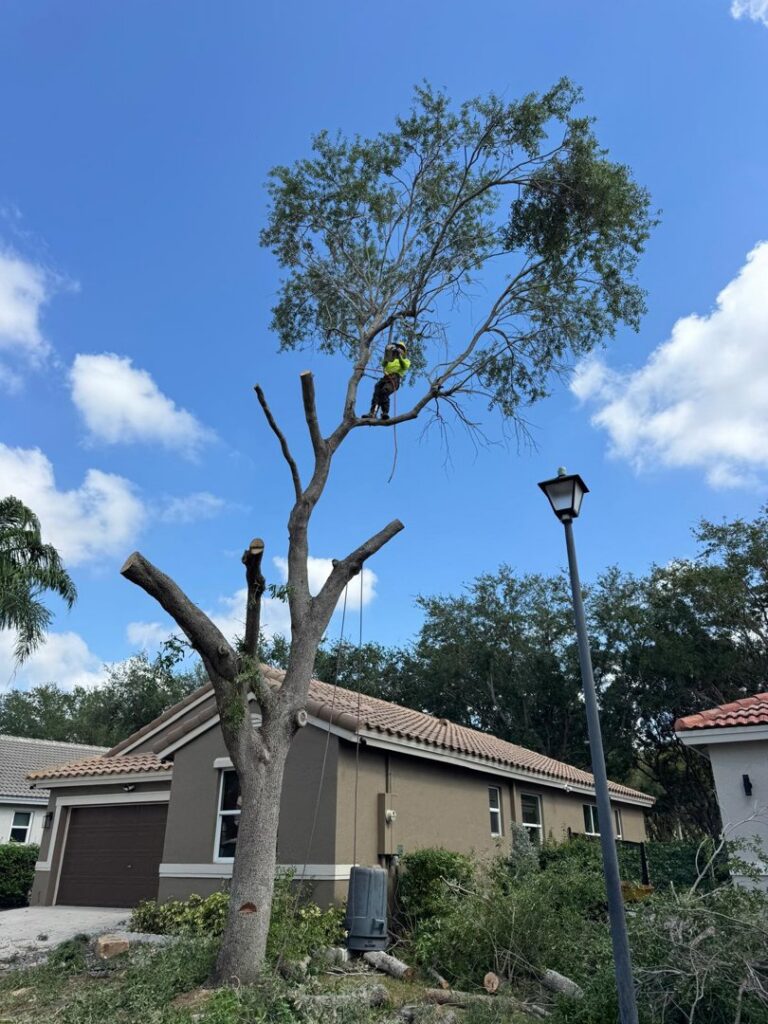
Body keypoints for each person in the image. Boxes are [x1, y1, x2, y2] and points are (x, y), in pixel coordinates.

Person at [363, 341, 410, 420]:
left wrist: (399, 356)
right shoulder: (391, 359)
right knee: (377, 390)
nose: (399, 349)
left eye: (401, 348)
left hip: (395, 379)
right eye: (398, 347)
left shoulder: (406, 361)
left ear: (404, 352)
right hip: (385, 378)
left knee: (385, 391)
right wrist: (388, 354)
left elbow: (404, 366)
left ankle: (384, 412)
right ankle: (372, 413)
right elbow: (384, 364)